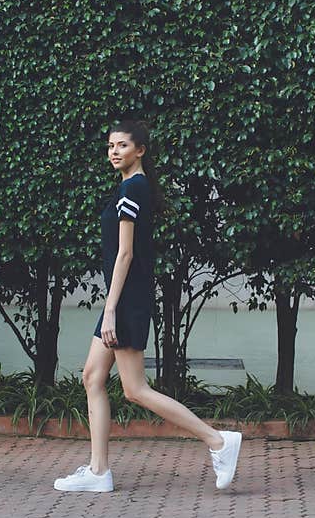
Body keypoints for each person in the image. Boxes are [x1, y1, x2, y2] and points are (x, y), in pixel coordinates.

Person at [53, 120, 242, 493]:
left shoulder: (133, 189)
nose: (114, 151)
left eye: (122, 145)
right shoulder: (131, 187)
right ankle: (98, 471)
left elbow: (125, 254)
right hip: (123, 299)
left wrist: (110, 309)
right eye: (110, 145)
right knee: (92, 377)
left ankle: (218, 441)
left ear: (140, 150)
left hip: (125, 301)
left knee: (135, 389)